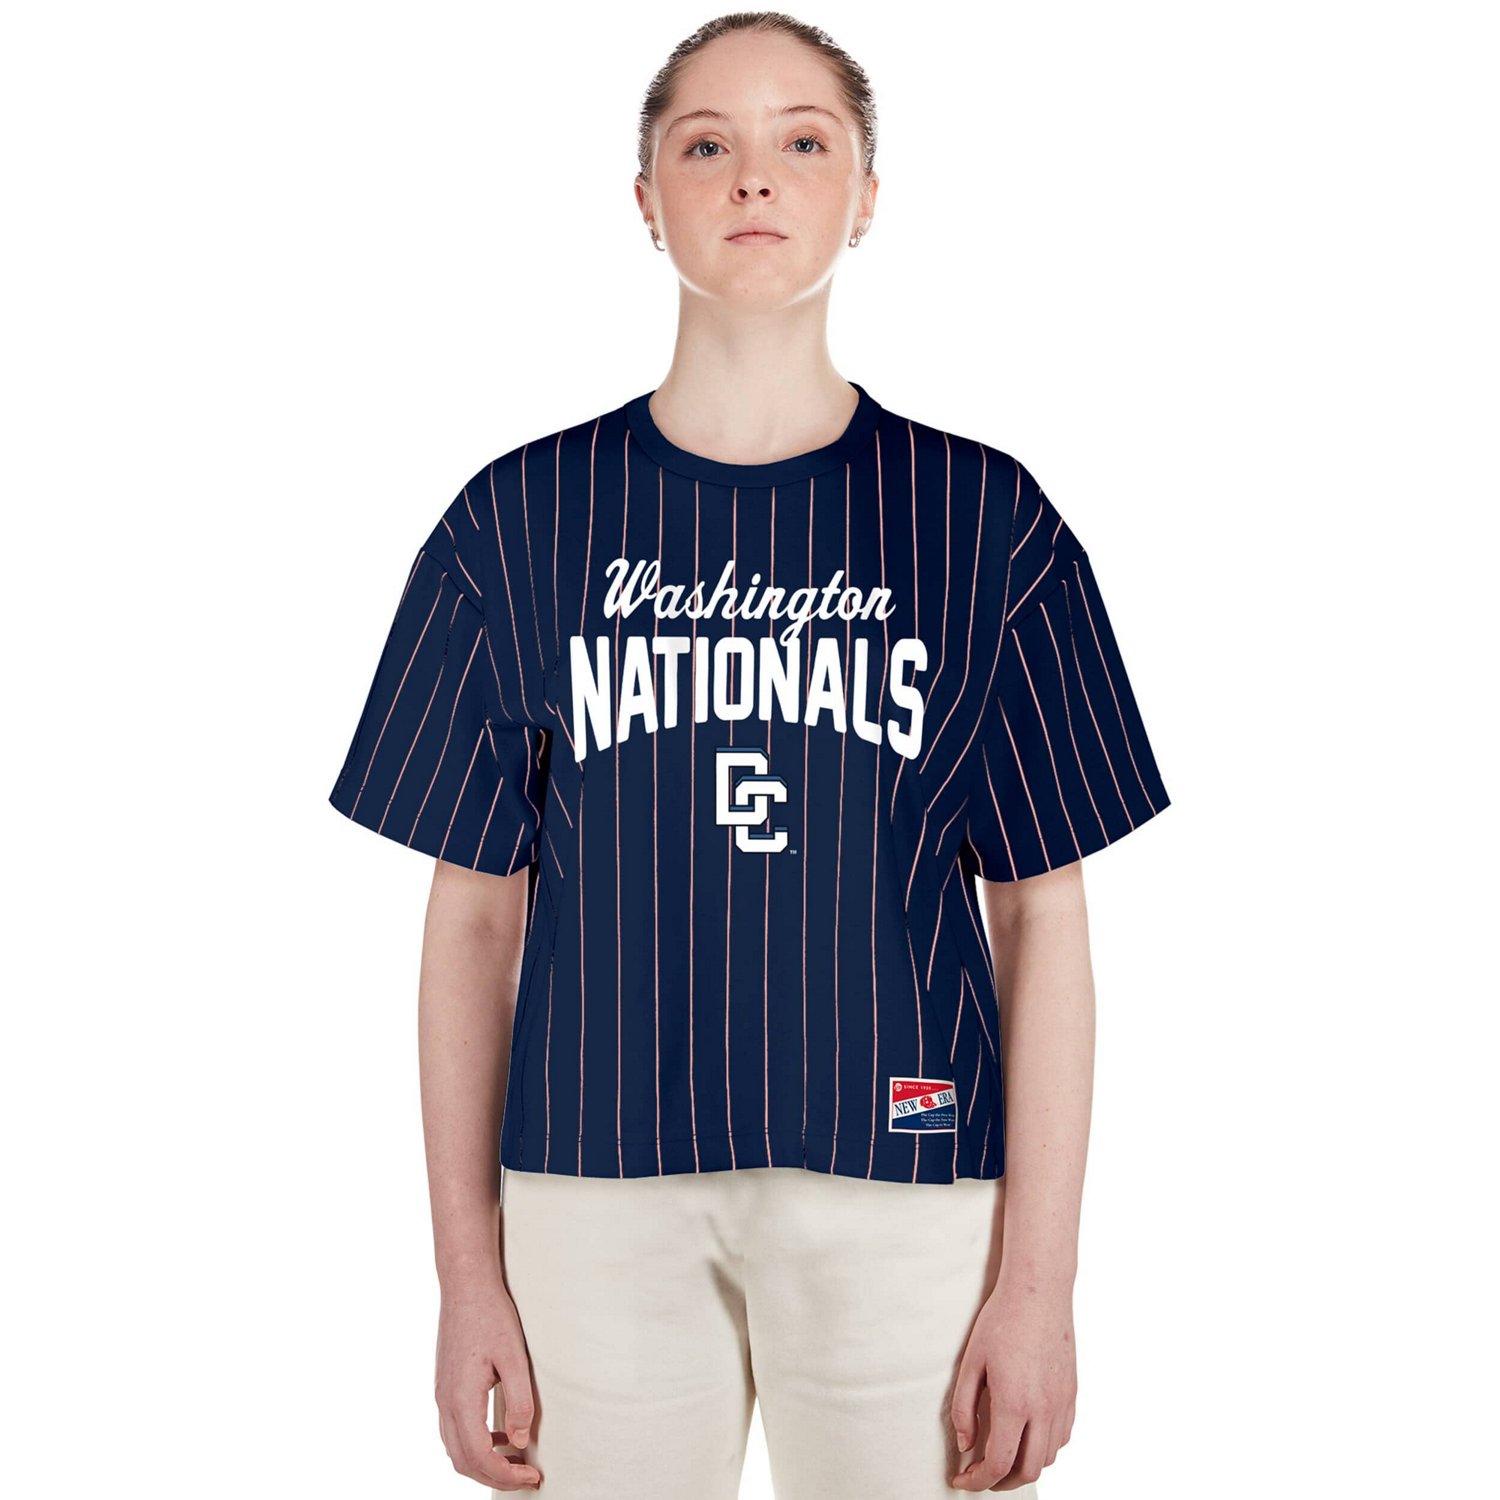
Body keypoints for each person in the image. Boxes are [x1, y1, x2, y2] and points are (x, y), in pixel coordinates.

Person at [327, 13, 1170, 1498]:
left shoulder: (989, 525)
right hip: (590, 1186)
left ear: (868, 196)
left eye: (804, 141)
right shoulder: (515, 524)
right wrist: (466, 1276)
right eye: (705, 143)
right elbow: (469, 922)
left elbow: (1044, 915)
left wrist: (1039, 1287)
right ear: (645, 200)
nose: (753, 177)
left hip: (909, 1179)